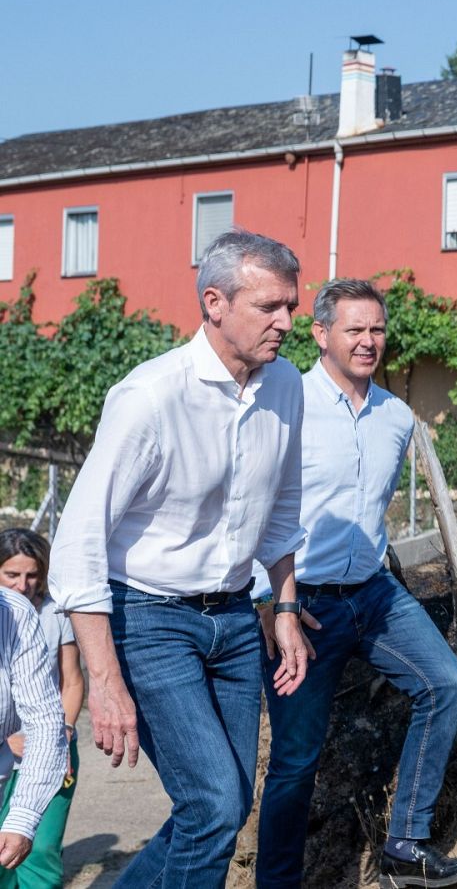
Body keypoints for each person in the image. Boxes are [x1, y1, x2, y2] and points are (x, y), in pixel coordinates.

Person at [49, 228, 313, 888]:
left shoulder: (285, 387)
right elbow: (78, 542)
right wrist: (105, 683)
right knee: (214, 805)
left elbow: (282, 510)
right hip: (150, 619)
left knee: (223, 806)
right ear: (215, 303)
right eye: (270, 307)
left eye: (291, 306)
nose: (287, 322)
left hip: (231, 619)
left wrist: (283, 605)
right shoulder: (150, 397)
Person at [254, 279, 457, 889]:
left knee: (446, 682)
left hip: (374, 594)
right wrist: (275, 605)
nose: (368, 341)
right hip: (302, 602)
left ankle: (405, 845)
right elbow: (255, 509)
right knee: (296, 761)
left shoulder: (397, 417)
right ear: (321, 334)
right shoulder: (285, 402)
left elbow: (370, 513)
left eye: (376, 329)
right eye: (354, 329)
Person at [0, 529, 81, 889]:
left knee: (40, 848)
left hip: (48, 740)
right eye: (12, 575)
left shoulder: (54, 613)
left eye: (31, 575)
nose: (23, 584)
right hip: (8, 745)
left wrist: (60, 738)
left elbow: (72, 680)